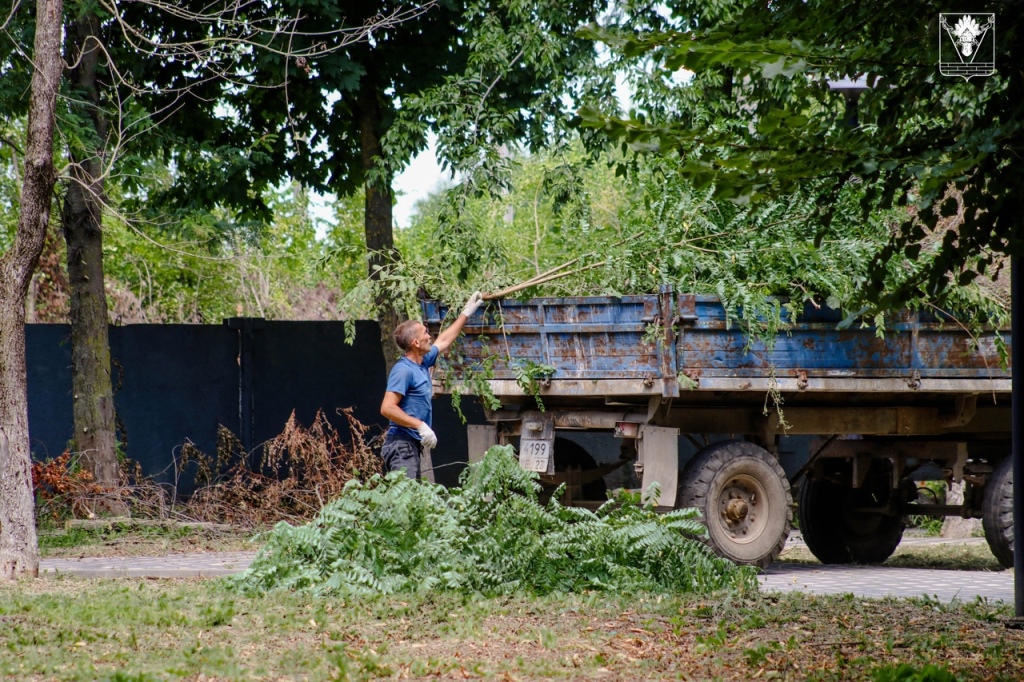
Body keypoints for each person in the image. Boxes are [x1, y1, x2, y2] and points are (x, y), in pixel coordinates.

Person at [379, 292, 484, 478]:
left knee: (413, 501)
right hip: (401, 446)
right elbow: (387, 408)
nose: (429, 336)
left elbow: (444, 339)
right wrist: (420, 425)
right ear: (416, 343)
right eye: (425, 333)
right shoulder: (404, 370)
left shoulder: (423, 361)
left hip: (409, 446)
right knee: (406, 501)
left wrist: (466, 313)